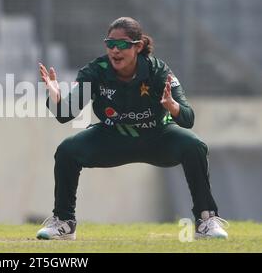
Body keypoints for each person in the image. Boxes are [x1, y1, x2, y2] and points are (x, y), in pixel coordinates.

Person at [37, 17, 228, 240]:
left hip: (158, 137)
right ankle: (64, 223)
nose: (115, 51)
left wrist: (172, 106)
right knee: (67, 151)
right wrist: (54, 95)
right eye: (110, 44)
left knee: (194, 146)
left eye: (123, 44)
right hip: (112, 137)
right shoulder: (95, 71)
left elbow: (188, 119)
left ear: (138, 46)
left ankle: (206, 221)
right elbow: (64, 114)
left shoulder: (158, 71)